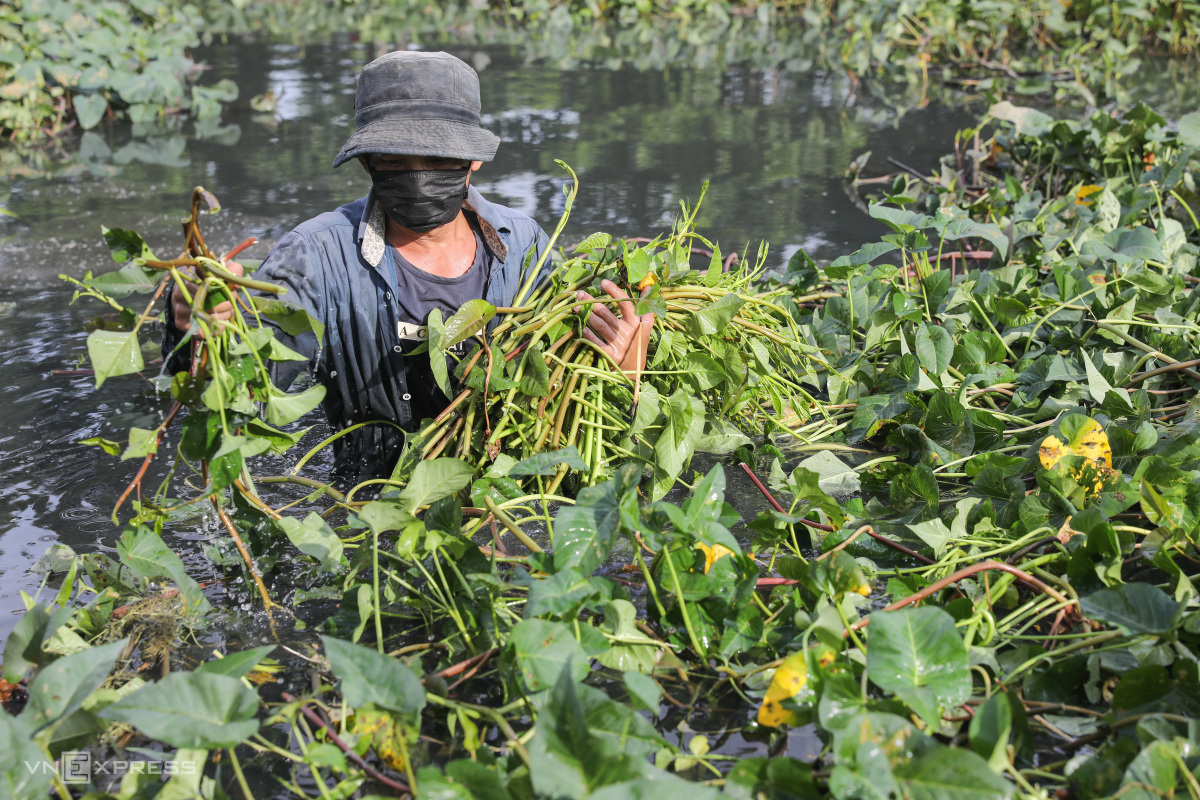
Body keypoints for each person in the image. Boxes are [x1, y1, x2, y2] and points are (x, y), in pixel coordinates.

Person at [164, 50, 651, 487]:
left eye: (437, 158)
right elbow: (246, 397)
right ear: (368, 162)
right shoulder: (314, 257)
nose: (418, 178)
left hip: (509, 500)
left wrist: (626, 374)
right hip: (370, 504)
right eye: (395, 160)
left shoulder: (525, 248)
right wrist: (197, 329)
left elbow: (571, 415)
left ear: (472, 160)